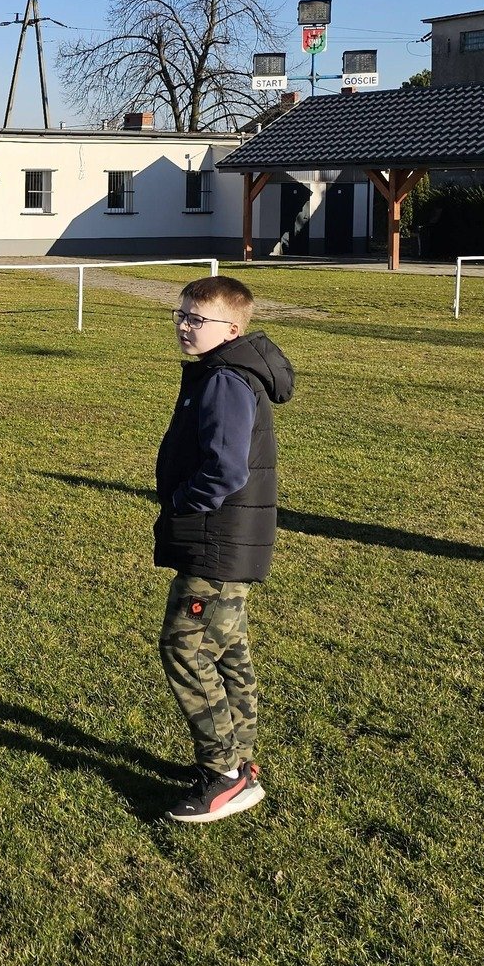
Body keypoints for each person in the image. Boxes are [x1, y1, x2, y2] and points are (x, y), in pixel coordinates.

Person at [153, 274, 294, 823]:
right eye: (181, 315)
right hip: (227, 538)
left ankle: (224, 775)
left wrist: (183, 503)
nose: (185, 326)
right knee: (228, 649)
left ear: (232, 329)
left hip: (217, 539)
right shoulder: (223, 372)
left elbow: (225, 469)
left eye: (197, 319)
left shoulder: (225, 381)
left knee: (185, 648)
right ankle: (240, 764)